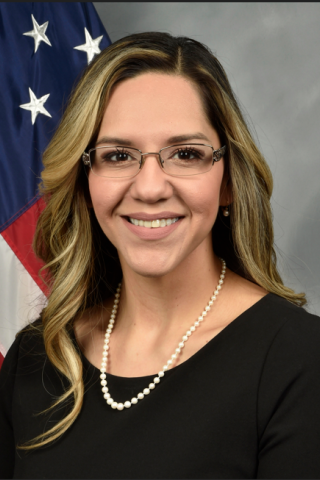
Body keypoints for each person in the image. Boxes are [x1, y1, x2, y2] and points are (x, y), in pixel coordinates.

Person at [1, 32, 320, 479]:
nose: (150, 188)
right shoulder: (37, 358)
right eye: (118, 155)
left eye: (186, 153)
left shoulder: (301, 361)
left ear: (227, 180)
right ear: (84, 179)